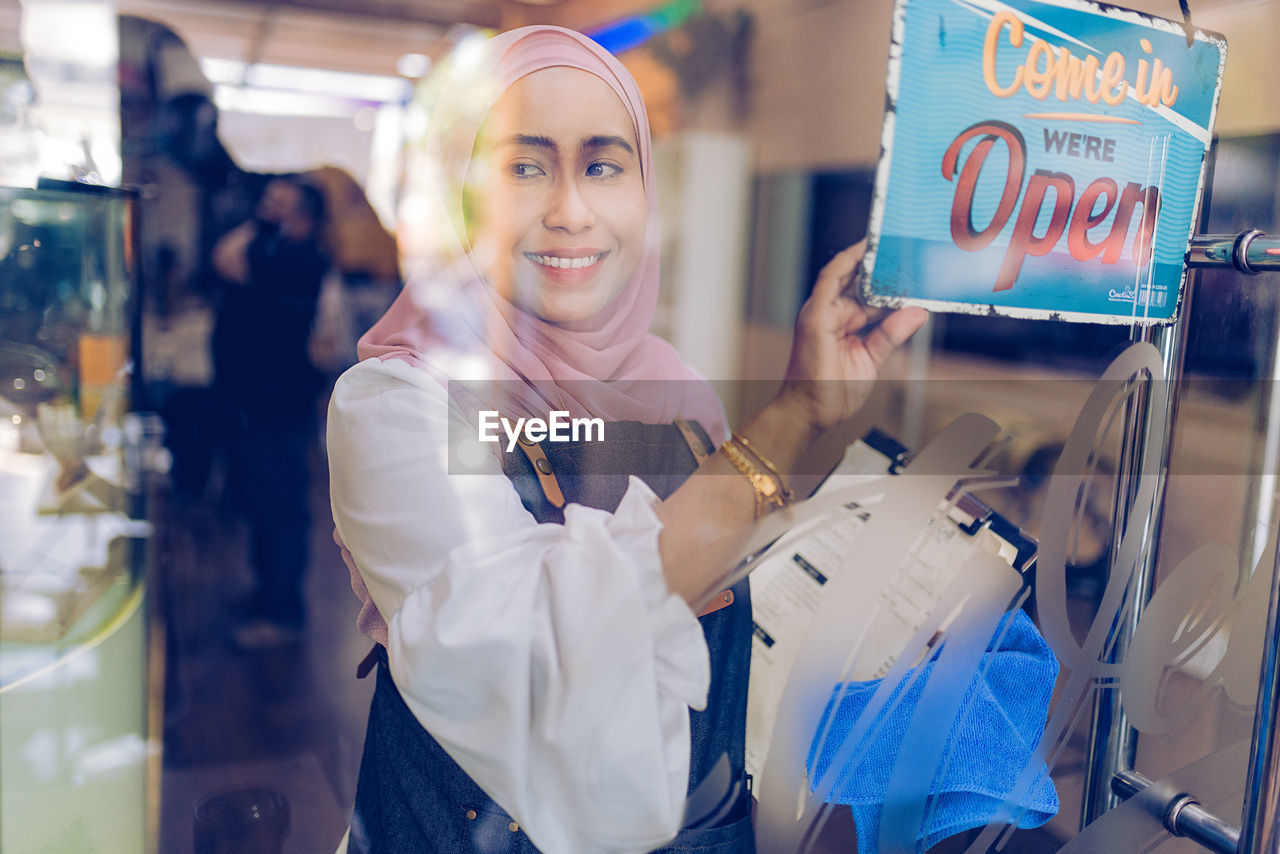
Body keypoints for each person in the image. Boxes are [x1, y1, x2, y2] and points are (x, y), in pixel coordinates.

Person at [326, 25, 926, 854]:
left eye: (604, 165)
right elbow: (520, 648)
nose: (571, 211)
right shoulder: (397, 401)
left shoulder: (680, 394)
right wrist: (788, 418)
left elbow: (718, 618)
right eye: (523, 166)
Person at [212, 175, 330, 648]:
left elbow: (225, 258)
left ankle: (282, 613)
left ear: (302, 217)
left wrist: (260, 223)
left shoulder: (299, 259)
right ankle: (267, 598)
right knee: (261, 502)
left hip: (279, 404)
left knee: (279, 505)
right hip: (257, 402)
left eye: (276, 203)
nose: (264, 207)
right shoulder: (279, 251)